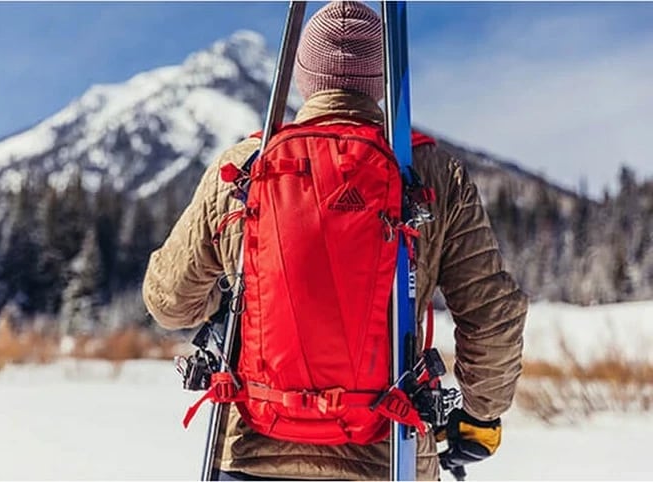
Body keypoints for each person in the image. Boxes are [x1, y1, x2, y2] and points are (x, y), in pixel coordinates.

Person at [142, 1, 527, 480]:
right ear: (380, 80)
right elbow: (492, 312)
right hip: (388, 454)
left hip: (249, 452)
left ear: (304, 76)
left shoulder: (242, 167)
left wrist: (231, 303)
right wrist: (480, 415)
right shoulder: (430, 173)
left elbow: (169, 301)